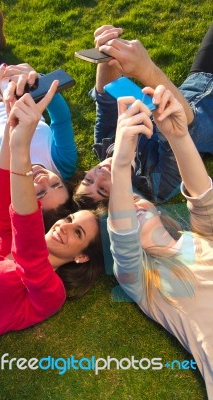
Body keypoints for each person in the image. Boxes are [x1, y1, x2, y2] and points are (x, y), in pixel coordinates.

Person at [0, 78, 104, 400]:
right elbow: (2, 187)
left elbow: (31, 248)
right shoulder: (4, 236)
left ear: (81, 256)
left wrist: (22, 146)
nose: (64, 226)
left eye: (78, 233)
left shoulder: (47, 292)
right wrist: (11, 127)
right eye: (70, 219)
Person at [102, 85, 213, 398]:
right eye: (125, 202)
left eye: (136, 198)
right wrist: (121, 165)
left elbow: (203, 198)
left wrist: (178, 135)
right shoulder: (143, 281)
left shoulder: (200, 239)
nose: (133, 203)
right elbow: (122, 237)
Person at [75, 24, 213, 205]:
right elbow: (184, 127)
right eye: (103, 189)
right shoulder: (156, 186)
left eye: (89, 180)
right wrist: (146, 71)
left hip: (199, 81)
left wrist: (108, 53)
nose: (99, 175)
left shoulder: (105, 145)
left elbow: (106, 98)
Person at [0, 6, 77, 213]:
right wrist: (39, 81)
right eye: (56, 185)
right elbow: (61, 119)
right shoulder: (64, 165)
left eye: (40, 192)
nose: (45, 180)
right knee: (11, 70)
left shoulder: (3, 186)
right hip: (27, 95)